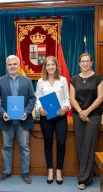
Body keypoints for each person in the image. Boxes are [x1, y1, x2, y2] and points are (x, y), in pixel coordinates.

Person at [0, 55, 36, 184]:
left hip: (23, 119)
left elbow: (32, 99)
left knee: (24, 147)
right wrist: (2, 113)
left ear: (18, 65)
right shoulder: (0, 81)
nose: (12, 66)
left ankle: (25, 173)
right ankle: (6, 172)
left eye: (14, 64)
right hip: (6, 119)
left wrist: (27, 112)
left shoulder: (27, 81)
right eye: (10, 64)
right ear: (7, 66)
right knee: (6, 147)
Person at [70, 53, 103, 190]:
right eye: (82, 61)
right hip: (78, 114)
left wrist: (87, 111)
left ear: (91, 63)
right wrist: (80, 112)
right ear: (79, 64)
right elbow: (72, 98)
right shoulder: (74, 79)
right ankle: (86, 173)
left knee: (89, 144)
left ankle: (83, 178)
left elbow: (100, 97)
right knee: (80, 144)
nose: (85, 64)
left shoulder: (98, 78)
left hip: (94, 114)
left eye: (87, 61)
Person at [35, 56, 70, 185]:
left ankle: (59, 170)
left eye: (52, 65)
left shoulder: (63, 80)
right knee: (48, 144)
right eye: (48, 65)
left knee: (61, 144)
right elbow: (37, 98)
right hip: (46, 118)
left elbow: (67, 98)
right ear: (45, 67)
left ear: (56, 66)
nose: (50, 67)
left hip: (60, 117)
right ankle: (50, 170)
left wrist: (66, 107)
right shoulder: (40, 82)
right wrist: (39, 108)